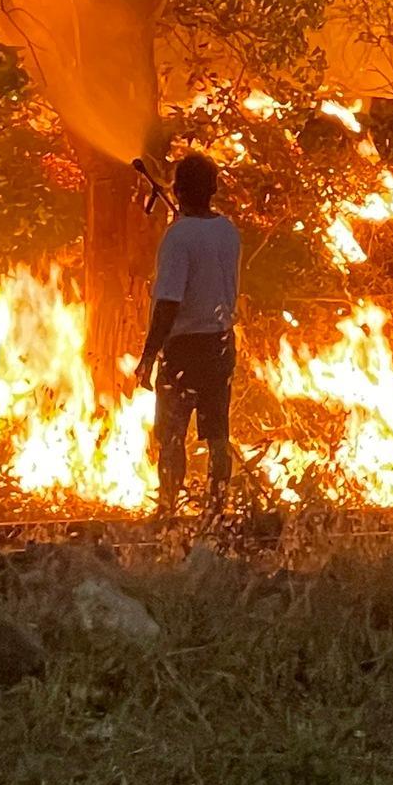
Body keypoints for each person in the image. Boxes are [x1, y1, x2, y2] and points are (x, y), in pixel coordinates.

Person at [134, 152, 241, 515]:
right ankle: (217, 508)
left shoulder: (178, 237)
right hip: (222, 343)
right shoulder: (227, 231)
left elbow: (168, 302)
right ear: (213, 189)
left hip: (185, 346)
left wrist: (149, 355)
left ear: (177, 190)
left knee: (171, 435)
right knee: (217, 436)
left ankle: (168, 508)